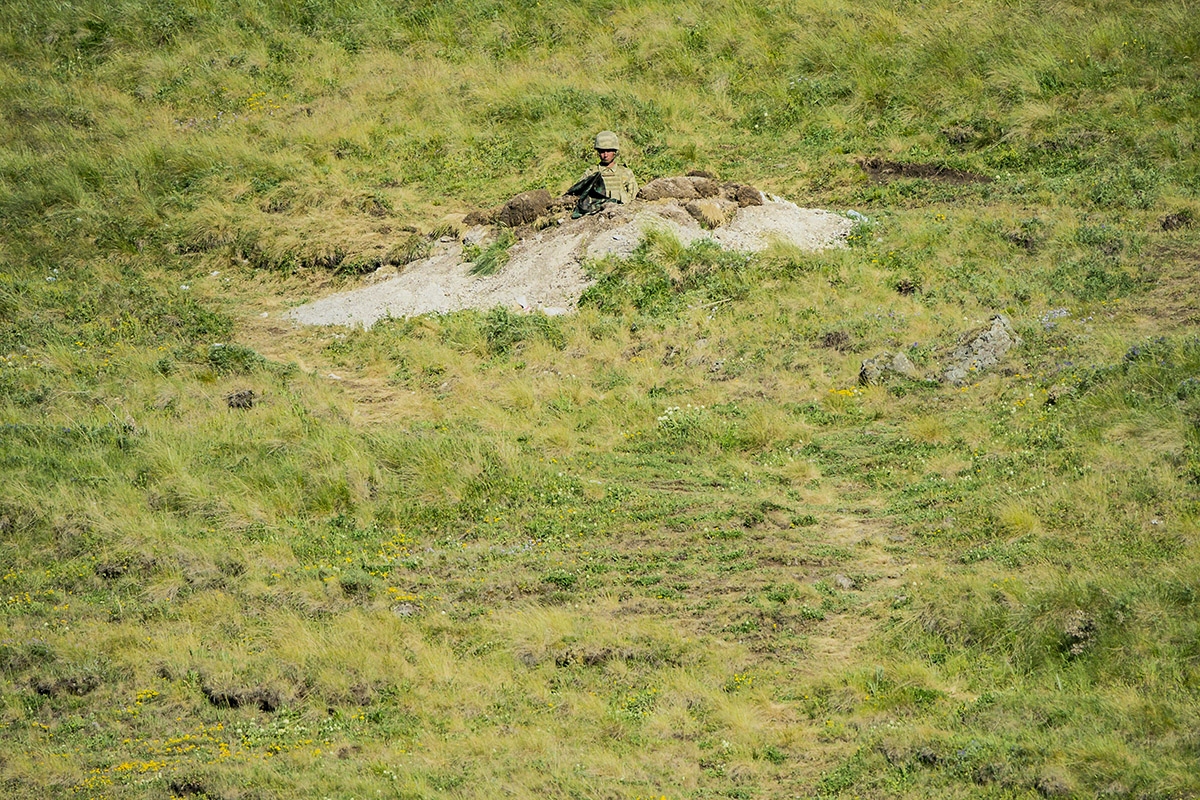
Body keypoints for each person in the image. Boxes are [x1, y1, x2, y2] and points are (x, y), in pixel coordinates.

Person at [566, 131, 638, 218]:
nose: (605, 155)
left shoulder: (625, 173)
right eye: (602, 151)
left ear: (615, 151)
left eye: (608, 151)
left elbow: (634, 199)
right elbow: (579, 195)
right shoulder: (591, 173)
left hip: (621, 215)